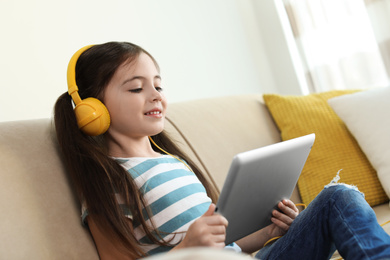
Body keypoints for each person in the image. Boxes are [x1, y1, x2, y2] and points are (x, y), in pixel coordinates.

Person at [54, 41, 390, 260]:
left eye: (158, 84)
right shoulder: (110, 181)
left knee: (337, 197)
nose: (155, 95)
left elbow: (224, 249)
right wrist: (187, 248)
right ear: (93, 108)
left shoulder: (174, 162)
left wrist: (269, 231)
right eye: (137, 88)